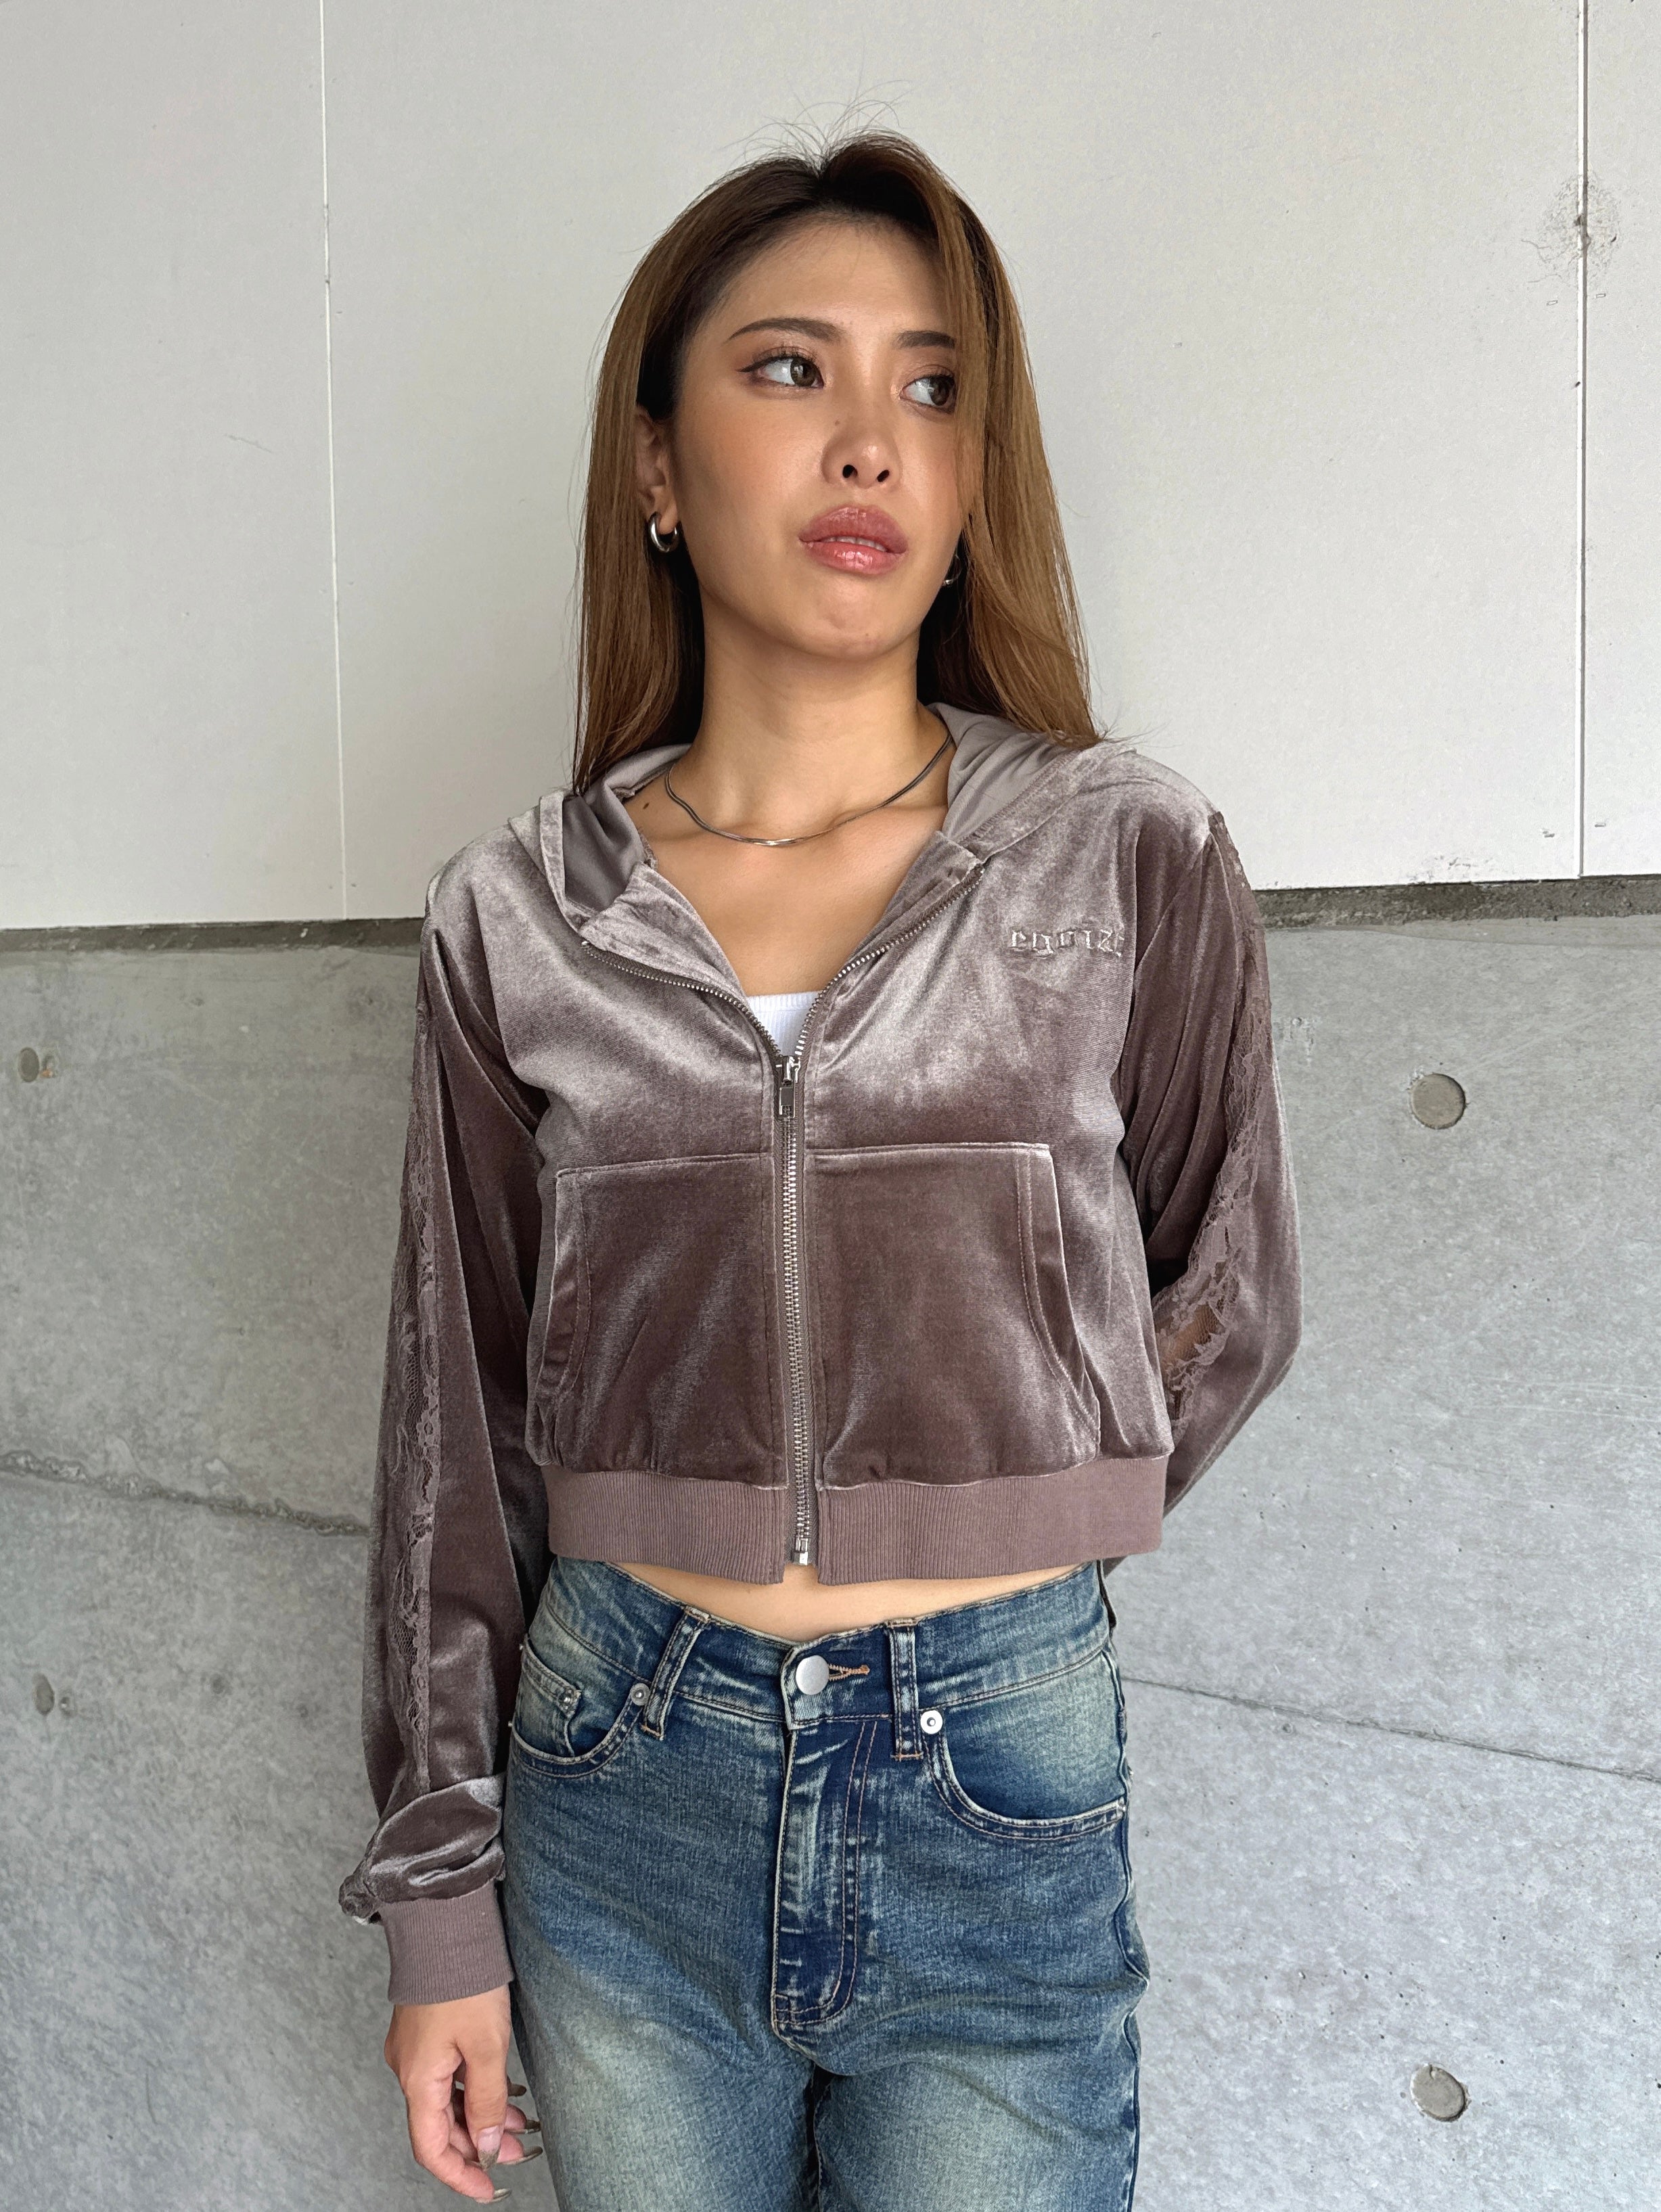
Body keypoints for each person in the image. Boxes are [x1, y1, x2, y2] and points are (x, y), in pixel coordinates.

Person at [340, 128, 1301, 2211]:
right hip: (620, 1763)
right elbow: (452, 1441)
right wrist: (438, 1907)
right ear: (659, 468)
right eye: (792, 368)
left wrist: (1020, 1492)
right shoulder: (522, 914)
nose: (872, 437)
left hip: (1001, 1756)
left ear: (971, 482)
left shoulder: (1121, 852)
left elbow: (1233, 1284)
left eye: (933, 387)